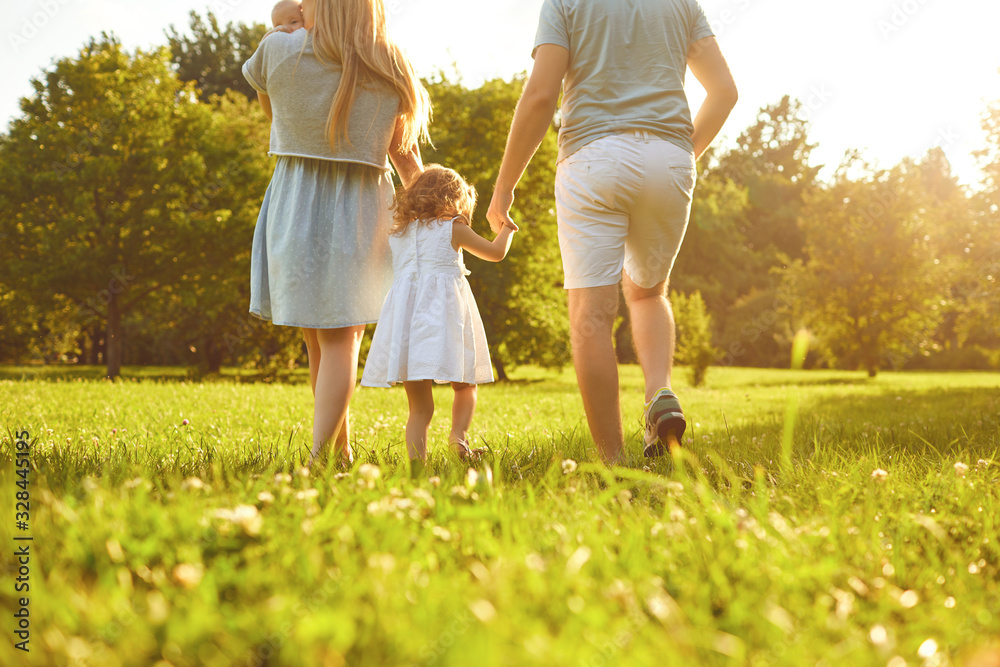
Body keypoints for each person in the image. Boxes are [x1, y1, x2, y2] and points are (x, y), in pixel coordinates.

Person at [487, 0, 738, 463]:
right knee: (647, 293)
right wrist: (681, 157)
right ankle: (659, 391)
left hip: (593, 156)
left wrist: (504, 187)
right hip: (670, 156)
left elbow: (542, 95)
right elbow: (724, 91)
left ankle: (612, 462)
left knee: (591, 316)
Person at [242, 0, 430, 466]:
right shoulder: (389, 60)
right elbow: (405, 157)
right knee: (340, 338)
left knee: (317, 337)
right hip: (360, 206)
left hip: (294, 197)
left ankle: (334, 454)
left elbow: (275, 116)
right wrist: (435, 211)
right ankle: (325, 456)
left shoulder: (277, 50)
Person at [361, 165, 517, 464]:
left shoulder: (399, 233)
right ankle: (458, 439)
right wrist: (507, 228)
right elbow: (495, 253)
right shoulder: (453, 228)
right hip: (446, 318)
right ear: (455, 198)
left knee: (419, 409)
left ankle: (417, 465)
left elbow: (376, 263)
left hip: (407, 322)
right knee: (465, 384)